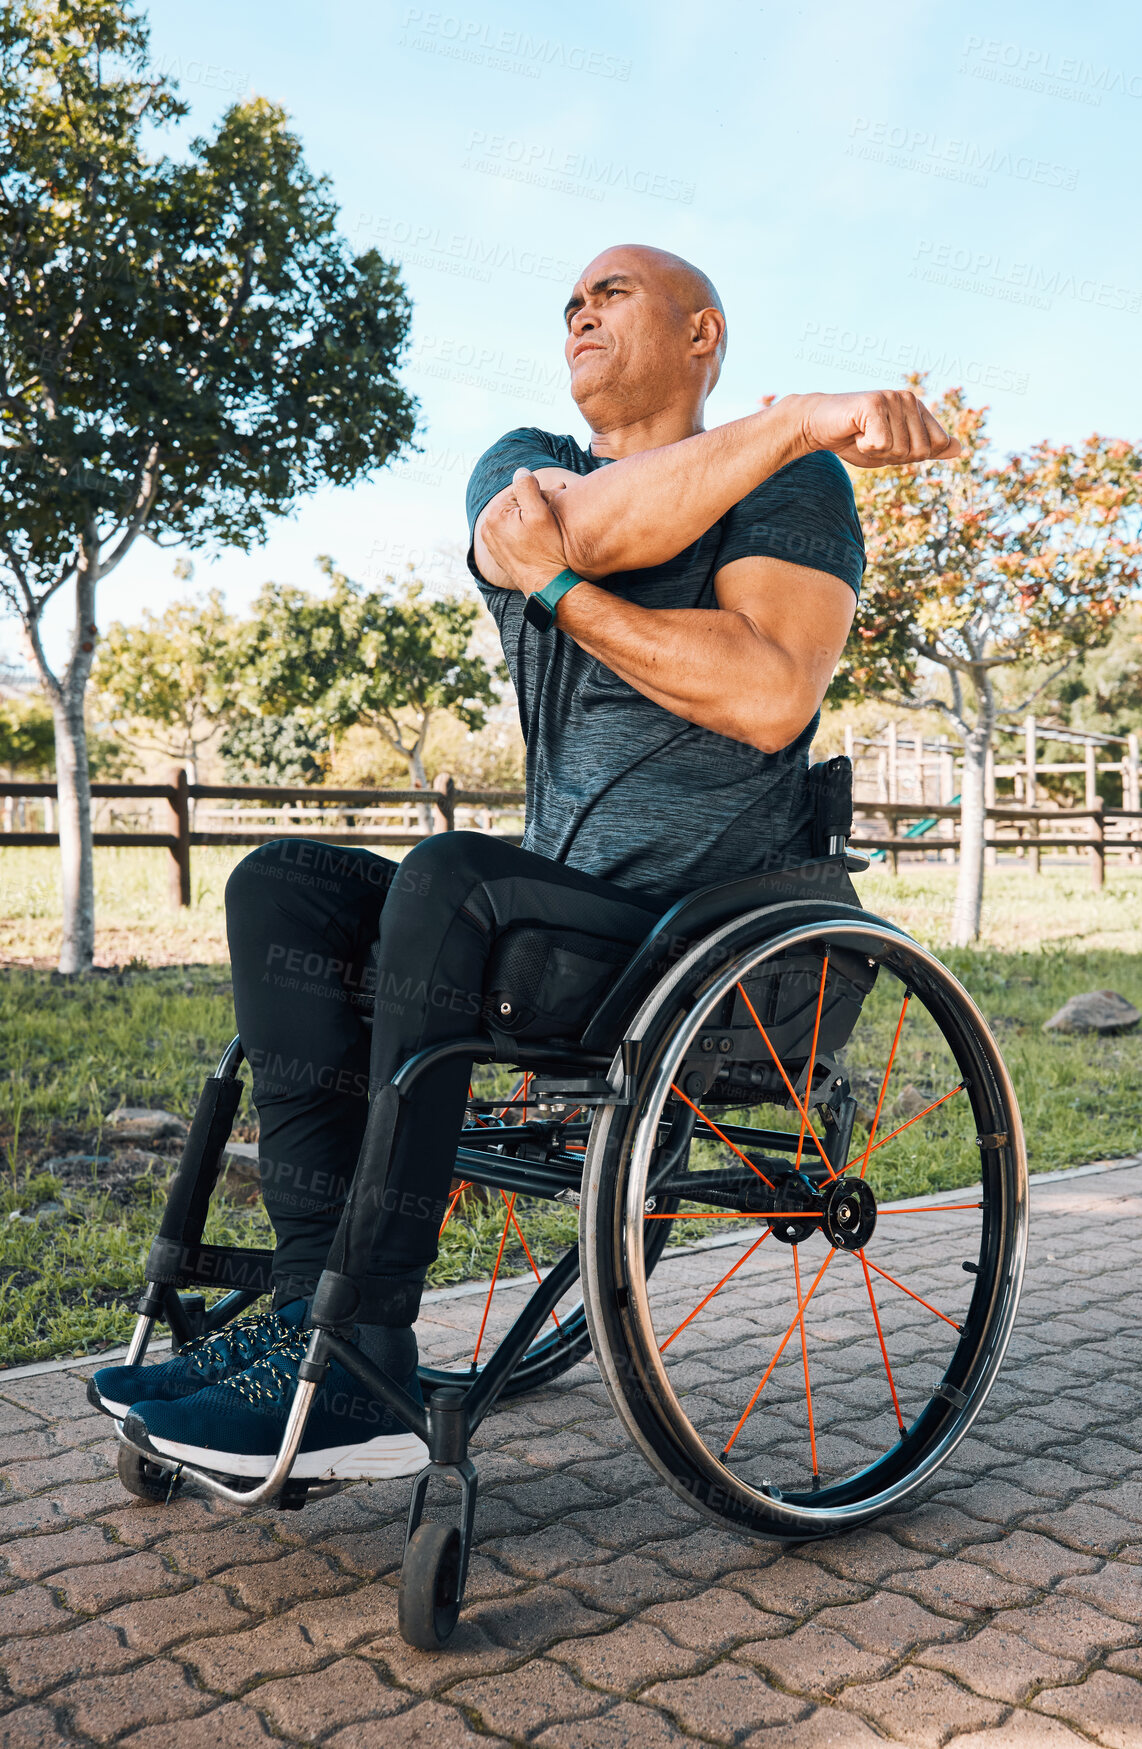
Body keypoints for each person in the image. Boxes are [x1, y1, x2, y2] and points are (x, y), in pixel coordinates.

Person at [93, 244, 958, 1479]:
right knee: (279, 882)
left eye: (612, 294)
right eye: (569, 302)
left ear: (701, 334)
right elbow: (583, 531)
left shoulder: (794, 486)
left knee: (452, 872)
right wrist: (777, 427)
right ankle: (305, 1319)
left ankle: (364, 1347)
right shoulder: (518, 464)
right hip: (555, 917)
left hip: (703, 933)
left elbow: (766, 696)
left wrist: (567, 583)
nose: (578, 313)